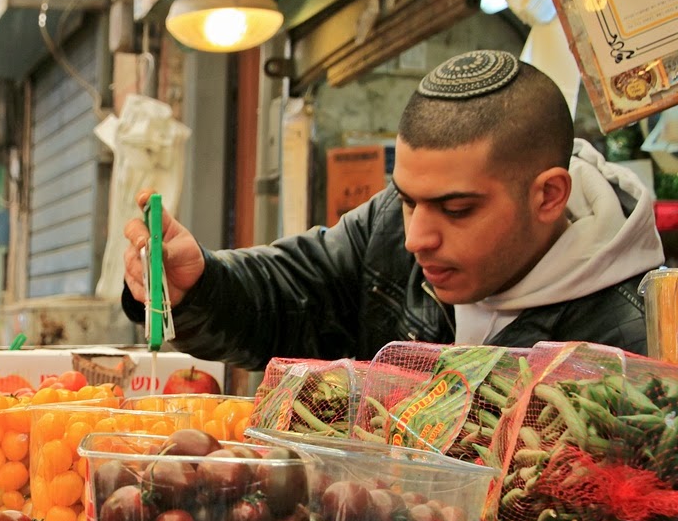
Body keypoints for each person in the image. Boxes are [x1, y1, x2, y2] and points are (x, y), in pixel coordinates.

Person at [122, 50, 664, 366]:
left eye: (456, 209)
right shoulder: (387, 228)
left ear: (549, 195)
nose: (416, 238)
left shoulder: (637, 341)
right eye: (408, 201)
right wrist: (198, 284)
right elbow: (292, 293)